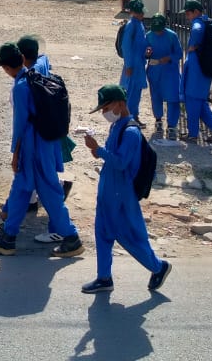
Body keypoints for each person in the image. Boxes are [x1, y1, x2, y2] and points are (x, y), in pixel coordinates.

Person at [0, 43, 84, 257]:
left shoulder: (20, 87)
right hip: (45, 144)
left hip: (32, 147)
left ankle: (71, 237)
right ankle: (8, 237)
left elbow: (20, 125)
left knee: (48, 193)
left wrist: (15, 154)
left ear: (6, 68)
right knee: (21, 190)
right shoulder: (35, 76)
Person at [79, 84, 172, 295]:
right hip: (108, 192)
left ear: (120, 104)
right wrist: (98, 151)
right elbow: (112, 156)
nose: (104, 113)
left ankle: (158, 267)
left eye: (106, 108)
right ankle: (104, 278)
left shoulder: (130, 132)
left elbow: (121, 163)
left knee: (128, 236)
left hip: (120, 195)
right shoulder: (117, 127)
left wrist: (98, 150)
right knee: (102, 234)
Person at [181, 0, 212, 145]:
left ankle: (193, 135)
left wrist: (194, 44)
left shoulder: (198, 23)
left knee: (192, 102)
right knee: (200, 102)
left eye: (188, 13)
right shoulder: (211, 22)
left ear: (196, 12)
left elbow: (196, 30)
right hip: (207, 68)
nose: (187, 16)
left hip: (196, 68)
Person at [144, 13, 183, 143]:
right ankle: (158, 120)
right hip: (154, 70)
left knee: (173, 98)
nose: (158, 32)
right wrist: (147, 53)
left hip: (170, 71)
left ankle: (172, 126)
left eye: (160, 30)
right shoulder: (148, 36)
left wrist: (169, 58)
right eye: (156, 30)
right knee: (156, 96)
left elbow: (179, 53)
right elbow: (144, 53)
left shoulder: (172, 36)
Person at [118, 0, 148, 124]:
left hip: (139, 64)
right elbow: (126, 47)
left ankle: (134, 116)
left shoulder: (139, 24)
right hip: (133, 65)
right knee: (130, 92)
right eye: (140, 12)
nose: (142, 14)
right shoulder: (131, 25)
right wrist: (129, 65)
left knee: (136, 92)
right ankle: (127, 118)